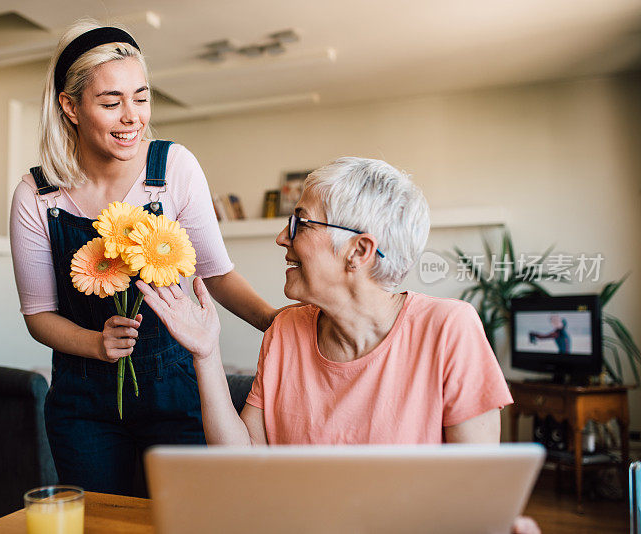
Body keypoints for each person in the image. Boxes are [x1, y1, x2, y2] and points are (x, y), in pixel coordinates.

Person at [137, 157, 540, 533]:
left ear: (359, 251)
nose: (282, 237)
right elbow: (241, 465)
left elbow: (474, 498)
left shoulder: (449, 329)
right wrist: (206, 353)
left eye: (301, 223)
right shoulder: (286, 331)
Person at [9, 20, 276, 496]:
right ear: (69, 107)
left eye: (141, 96)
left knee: (193, 520)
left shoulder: (172, 168)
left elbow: (216, 275)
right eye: (111, 103)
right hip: (82, 401)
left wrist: (278, 325)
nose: (132, 116)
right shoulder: (38, 194)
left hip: (175, 388)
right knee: (99, 523)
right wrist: (95, 344)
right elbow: (37, 316)